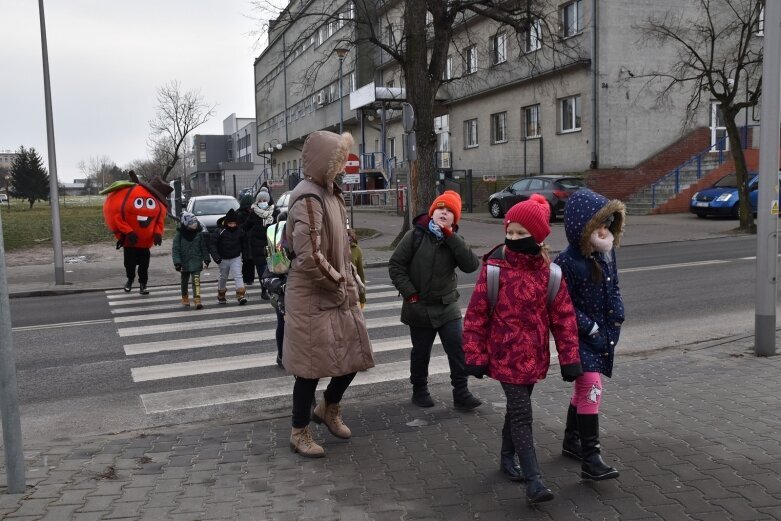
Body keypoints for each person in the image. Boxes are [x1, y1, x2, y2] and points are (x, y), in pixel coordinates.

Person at [462, 194, 582, 504]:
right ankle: (534, 480)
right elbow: (475, 314)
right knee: (522, 413)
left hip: (535, 357)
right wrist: (474, 356)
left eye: (520, 233)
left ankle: (506, 459)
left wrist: (570, 359)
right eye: (509, 232)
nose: (512, 238)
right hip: (504, 356)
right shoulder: (494, 268)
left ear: (537, 236)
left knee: (517, 412)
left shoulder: (550, 274)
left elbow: (564, 318)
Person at [283, 131, 374, 458]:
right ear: (325, 163)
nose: (342, 168)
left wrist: (351, 279)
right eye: (337, 162)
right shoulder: (309, 196)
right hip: (312, 296)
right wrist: (338, 281)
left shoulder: (330, 193)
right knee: (310, 368)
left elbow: (337, 246)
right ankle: (299, 432)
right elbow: (308, 257)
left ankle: (328, 408)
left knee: (352, 355)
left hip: (336, 289)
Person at [553, 189, 625, 482]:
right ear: (582, 229)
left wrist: (619, 312)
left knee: (582, 391)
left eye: (608, 226)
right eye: (598, 227)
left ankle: (572, 440)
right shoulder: (565, 263)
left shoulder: (607, 254)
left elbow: (615, 286)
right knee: (592, 389)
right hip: (578, 337)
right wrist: (589, 327)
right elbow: (561, 304)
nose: (604, 232)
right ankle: (591, 458)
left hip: (604, 333)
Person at [388, 190, 482, 411]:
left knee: (457, 348)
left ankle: (461, 392)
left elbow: (471, 265)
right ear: (432, 213)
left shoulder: (455, 240)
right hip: (418, 305)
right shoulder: (415, 236)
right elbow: (395, 266)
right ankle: (419, 390)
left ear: (454, 218)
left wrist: (451, 237)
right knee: (421, 352)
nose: (444, 212)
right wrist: (410, 292)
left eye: (449, 211)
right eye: (440, 208)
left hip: (447, 305)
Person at [100, 171, 173, 295]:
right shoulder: (130, 194)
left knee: (144, 266)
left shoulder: (157, 204)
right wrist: (129, 232)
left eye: (148, 204)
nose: (144, 208)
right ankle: (130, 279)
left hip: (145, 244)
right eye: (140, 203)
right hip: (130, 243)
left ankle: (143, 285)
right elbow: (118, 218)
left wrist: (158, 234)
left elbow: (159, 222)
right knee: (129, 264)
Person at [260, 210, 288, 369]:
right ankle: (281, 355)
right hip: (282, 295)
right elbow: (267, 277)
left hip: (299, 294)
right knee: (283, 324)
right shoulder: (275, 251)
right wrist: (281, 286)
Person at [209, 208, 250, 305]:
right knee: (223, 277)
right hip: (222, 258)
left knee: (238, 275)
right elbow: (212, 244)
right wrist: (216, 257)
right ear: (226, 222)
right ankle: (221, 294)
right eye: (230, 223)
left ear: (237, 223)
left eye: (234, 223)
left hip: (236, 257)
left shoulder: (240, 231)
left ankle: (240, 295)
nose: (232, 225)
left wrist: (246, 255)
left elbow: (245, 244)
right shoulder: (219, 231)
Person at [171, 212, 210, 309]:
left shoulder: (199, 234)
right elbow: (175, 249)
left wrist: (206, 258)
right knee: (184, 281)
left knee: (196, 281)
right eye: (192, 223)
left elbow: (203, 247)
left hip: (196, 261)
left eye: (195, 223)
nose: (194, 225)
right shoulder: (179, 235)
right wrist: (177, 262)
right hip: (184, 263)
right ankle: (185, 297)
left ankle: (197, 299)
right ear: (186, 223)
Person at [246, 187, 278, 300]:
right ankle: (264, 290)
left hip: (271, 246)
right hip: (257, 247)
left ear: (268, 201)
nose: (262, 203)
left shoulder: (275, 212)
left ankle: (273, 288)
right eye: (260, 201)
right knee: (262, 271)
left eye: (264, 200)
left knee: (273, 269)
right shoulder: (253, 214)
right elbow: (245, 227)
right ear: (257, 202)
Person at [237, 193, 256, 286]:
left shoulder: (255, 214)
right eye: (248, 207)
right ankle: (246, 278)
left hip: (252, 240)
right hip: (244, 240)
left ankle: (250, 279)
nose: (250, 209)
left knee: (251, 260)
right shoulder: (239, 215)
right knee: (246, 260)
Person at [347, 229, 366, 310]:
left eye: (349, 237)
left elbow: (361, 274)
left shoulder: (356, 250)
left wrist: (362, 298)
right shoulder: (335, 248)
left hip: (353, 291)